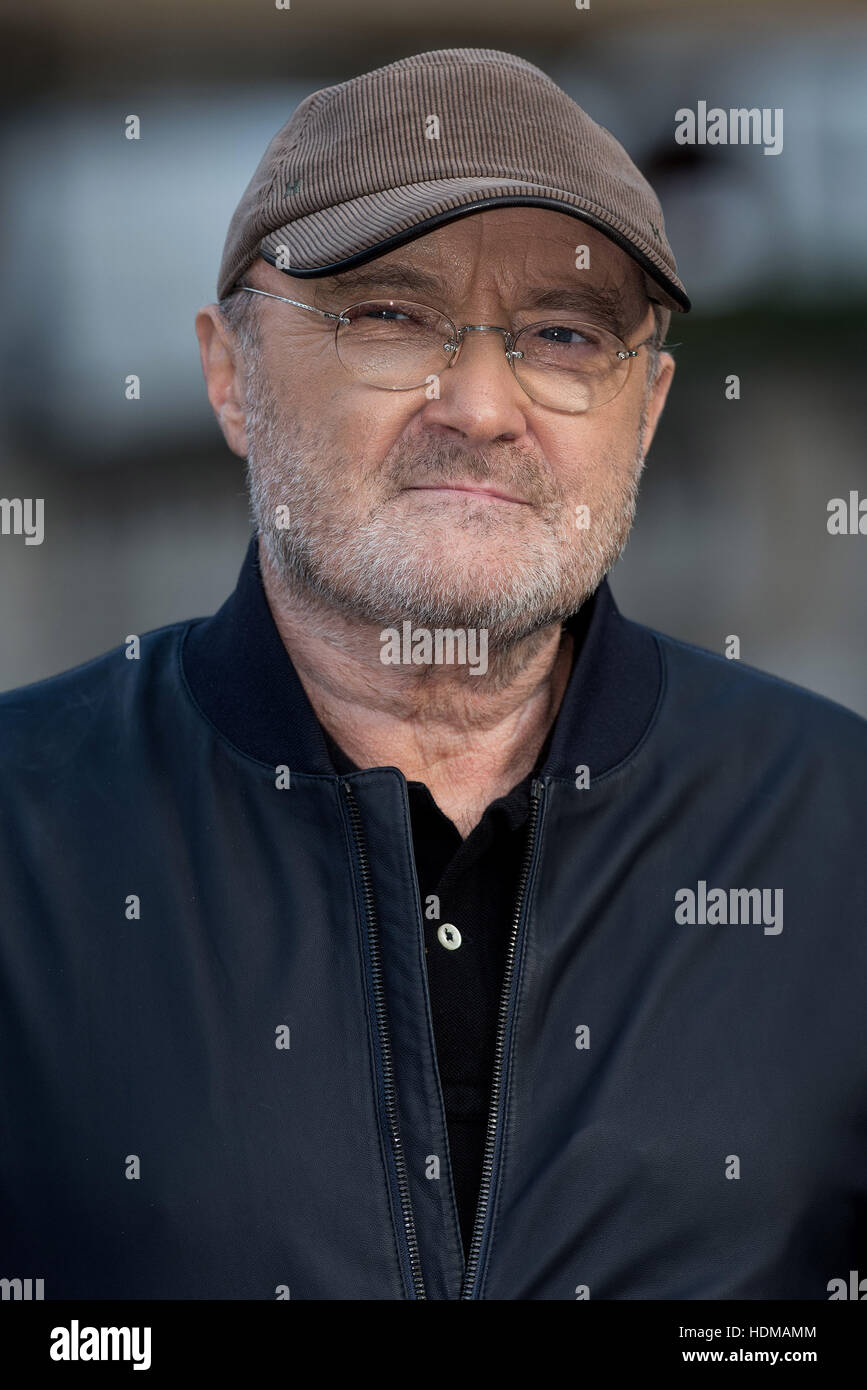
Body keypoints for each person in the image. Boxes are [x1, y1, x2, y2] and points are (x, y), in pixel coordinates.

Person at [1, 48, 864, 1302]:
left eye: (562, 334)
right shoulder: (27, 838)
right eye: (391, 316)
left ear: (651, 407)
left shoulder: (833, 835)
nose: (479, 403)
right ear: (229, 374)